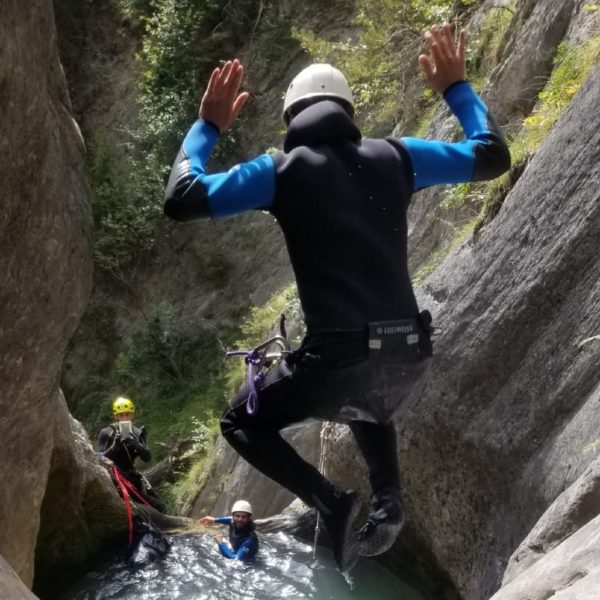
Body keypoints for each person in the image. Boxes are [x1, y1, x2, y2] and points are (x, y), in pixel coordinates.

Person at [163, 24, 510, 571]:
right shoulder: (399, 157)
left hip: (338, 363)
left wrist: (208, 126)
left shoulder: (278, 172)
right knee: (369, 392)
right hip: (409, 356)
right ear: (348, 112)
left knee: (241, 422)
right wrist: (456, 89)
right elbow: (491, 154)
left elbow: (182, 197)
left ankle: (331, 501)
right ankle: (389, 502)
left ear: (290, 120)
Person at [97, 396, 166, 513]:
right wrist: (115, 446)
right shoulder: (107, 433)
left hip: (133, 477)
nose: (124, 418)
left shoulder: (137, 433)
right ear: (116, 416)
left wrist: (136, 444)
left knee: (161, 506)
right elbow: (99, 457)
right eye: (121, 415)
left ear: (132, 415)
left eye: (127, 414)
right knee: (156, 507)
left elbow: (147, 457)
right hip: (117, 479)